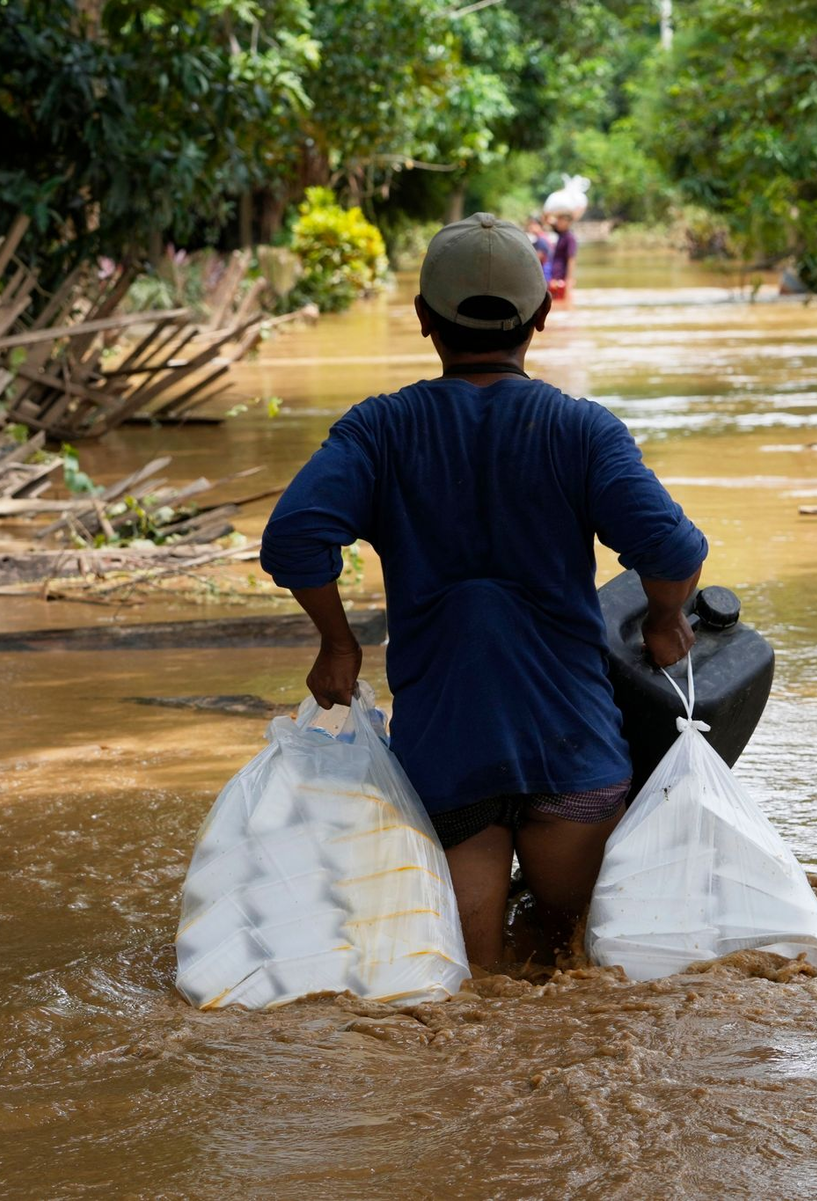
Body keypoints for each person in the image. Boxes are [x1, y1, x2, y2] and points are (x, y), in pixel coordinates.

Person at [260, 212, 707, 969]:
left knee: (471, 986)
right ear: (541, 315)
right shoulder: (582, 430)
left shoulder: (379, 432)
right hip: (572, 753)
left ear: (424, 319)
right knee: (580, 970)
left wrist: (338, 644)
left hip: (448, 759)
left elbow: (293, 537)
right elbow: (672, 550)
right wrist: (664, 619)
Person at [546, 210, 577, 300]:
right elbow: (547, 220)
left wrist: (569, 280)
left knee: (562, 302)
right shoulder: (561, 234)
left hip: (561, 277)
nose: (557, 223)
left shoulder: (570, 238)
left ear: (567, 223)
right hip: (554, 276)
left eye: (560, 221)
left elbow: (571, 259)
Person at [525, 214, 553, 284]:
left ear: (539, 225)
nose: (530, 227)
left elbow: (536, 259)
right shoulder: (542, 238)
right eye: (530, 224)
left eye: (533, 224)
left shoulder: (542, 240)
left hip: (545, 275)